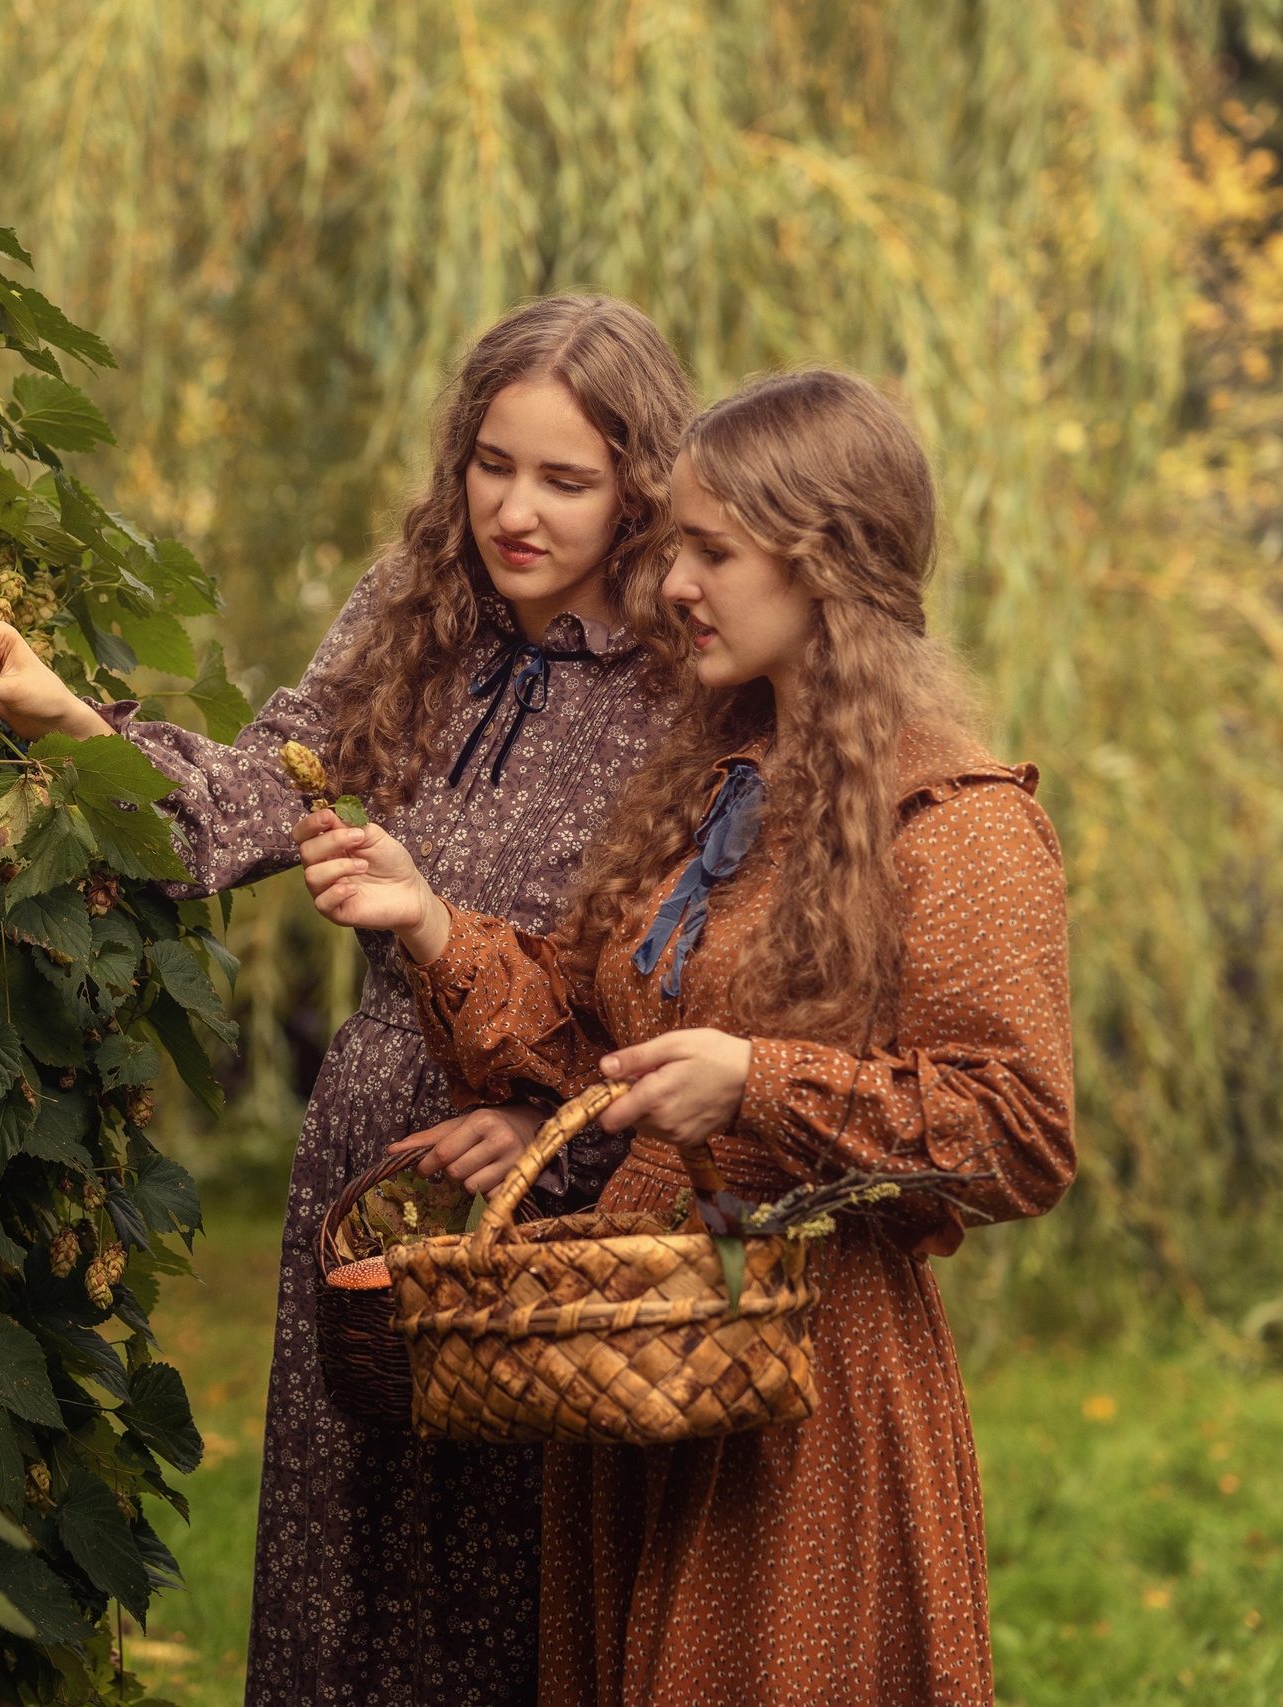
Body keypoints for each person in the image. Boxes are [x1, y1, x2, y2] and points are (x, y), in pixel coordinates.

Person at [0, 296, 699, 1706]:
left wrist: (550, 1110)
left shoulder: (685, 688)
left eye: (564, 480)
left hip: (556, 1199)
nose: (513, 509)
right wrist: (64, 721)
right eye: (491, 463)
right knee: (348, 1576)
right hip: (370, 1165)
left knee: (517, 1593)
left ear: (640, 487)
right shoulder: (415, 615)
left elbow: (693, 974)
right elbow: (245, 807)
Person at [297, 367, 1076, 1706]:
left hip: (804, 1387)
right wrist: (428, 922)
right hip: (648, 1361)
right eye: (679, 551)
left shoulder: (955, 822)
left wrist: (757, 1088)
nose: (672, 587)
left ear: (824, 563)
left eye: (714, 553)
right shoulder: (712, 773)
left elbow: (1014, 1132)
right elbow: (597, 1039)